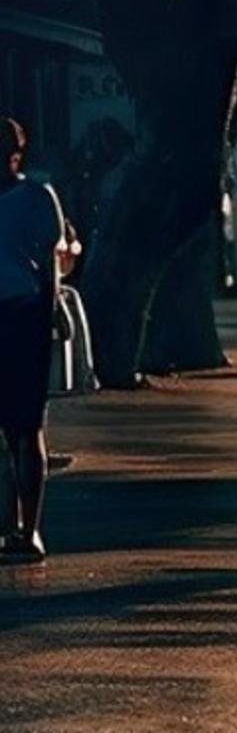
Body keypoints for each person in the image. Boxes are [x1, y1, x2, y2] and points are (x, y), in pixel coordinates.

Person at [0, 118, 71, 565]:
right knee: (18, 431)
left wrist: (49, 320)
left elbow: (51, 269)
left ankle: (29, 528)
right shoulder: (35, 198)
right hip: (22, 312)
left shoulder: (37, 197)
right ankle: (10, 526)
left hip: (23, 316)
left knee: (26, 429)